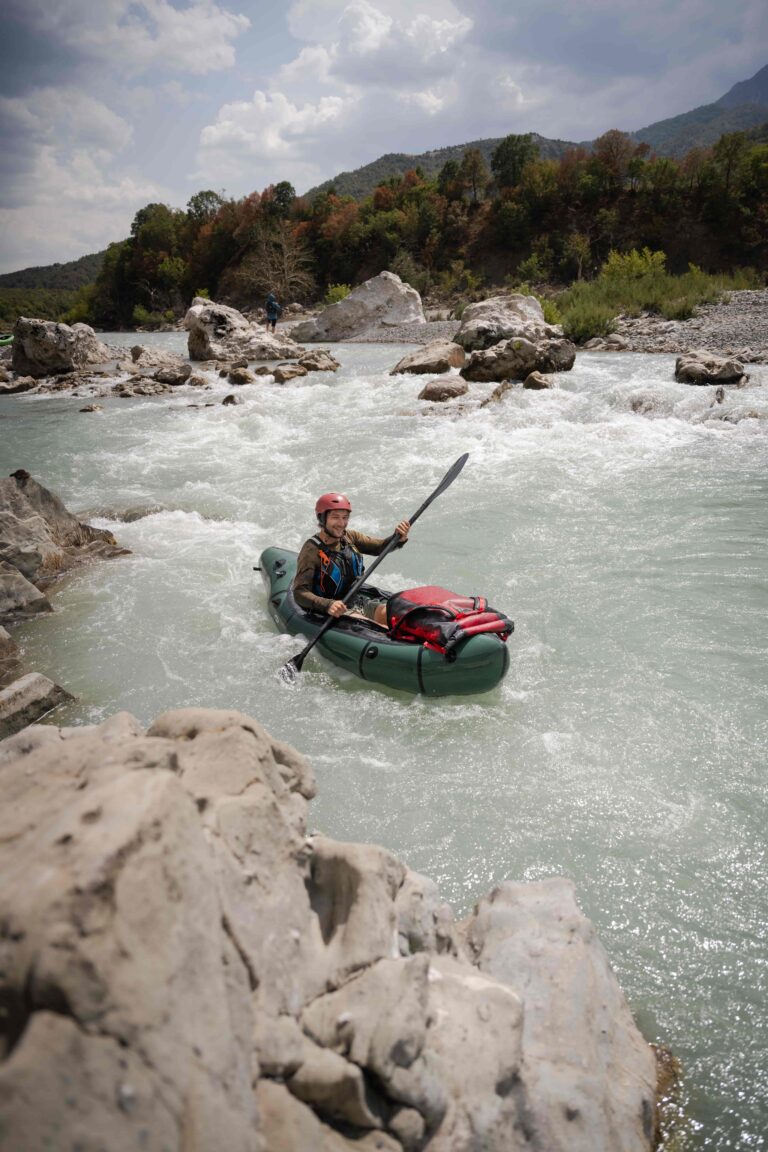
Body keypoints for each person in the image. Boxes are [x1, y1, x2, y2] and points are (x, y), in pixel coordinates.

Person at [293, 493, 410, 628]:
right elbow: (300, 593)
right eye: (335, 517)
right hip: (332, 610)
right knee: (381, 629)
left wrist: (398, 538)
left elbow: (380, 547)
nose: (341, 523)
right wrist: (328, 605)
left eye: (345, 517)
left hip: (355, 601)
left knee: (395, 616)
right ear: (322, 519)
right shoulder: (311, 550)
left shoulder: (349, 537)